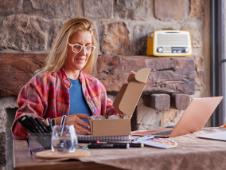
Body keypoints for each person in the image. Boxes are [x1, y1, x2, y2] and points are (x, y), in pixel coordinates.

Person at [12, 17, 118, 139]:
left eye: (88, 46)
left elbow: (115, 117)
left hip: (92, 156)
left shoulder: (96, 87)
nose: (84, 53)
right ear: (64, 47)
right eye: (77, 46)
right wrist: (59, 124)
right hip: (57, 155)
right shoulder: (42, 83)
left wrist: (130, 93)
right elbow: (19, 128)